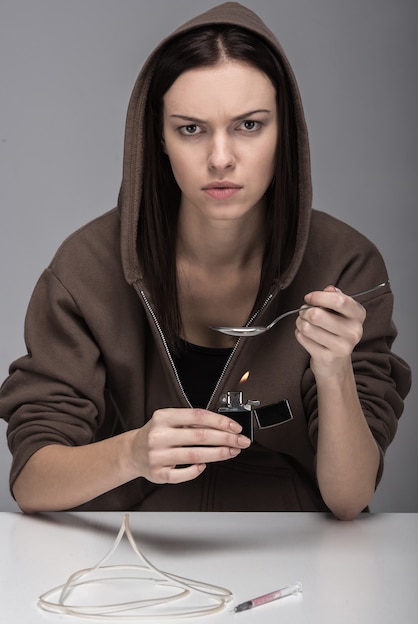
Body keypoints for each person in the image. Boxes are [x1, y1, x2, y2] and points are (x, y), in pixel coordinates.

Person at [0, 2, 411, 519]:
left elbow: (350, 499)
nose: (220, 158)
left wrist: (334, 371)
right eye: (191, 129)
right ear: (160, 139)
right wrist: (131, 453)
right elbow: (32, 483)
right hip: (136, 565)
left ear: (285, 133)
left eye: (248, 125)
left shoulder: (347, 265)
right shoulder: (86, 268)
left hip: (298, 554)